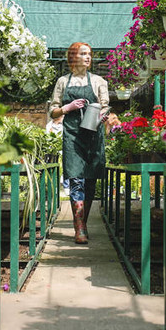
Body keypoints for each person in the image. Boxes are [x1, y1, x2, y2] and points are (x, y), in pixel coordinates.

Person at [49, 42, 109, 244]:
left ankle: (81, 221)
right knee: (75, 178)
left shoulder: (99, 81)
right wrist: (68, 107)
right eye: (83, 54)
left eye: (90, 54)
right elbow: (53, 111)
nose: (88, 57)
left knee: (90, 180)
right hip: (73, 135)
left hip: (93, 134)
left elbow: (106, 107)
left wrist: (102, 115)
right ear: (73, 56)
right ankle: (80, 226)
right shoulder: (63, 82)